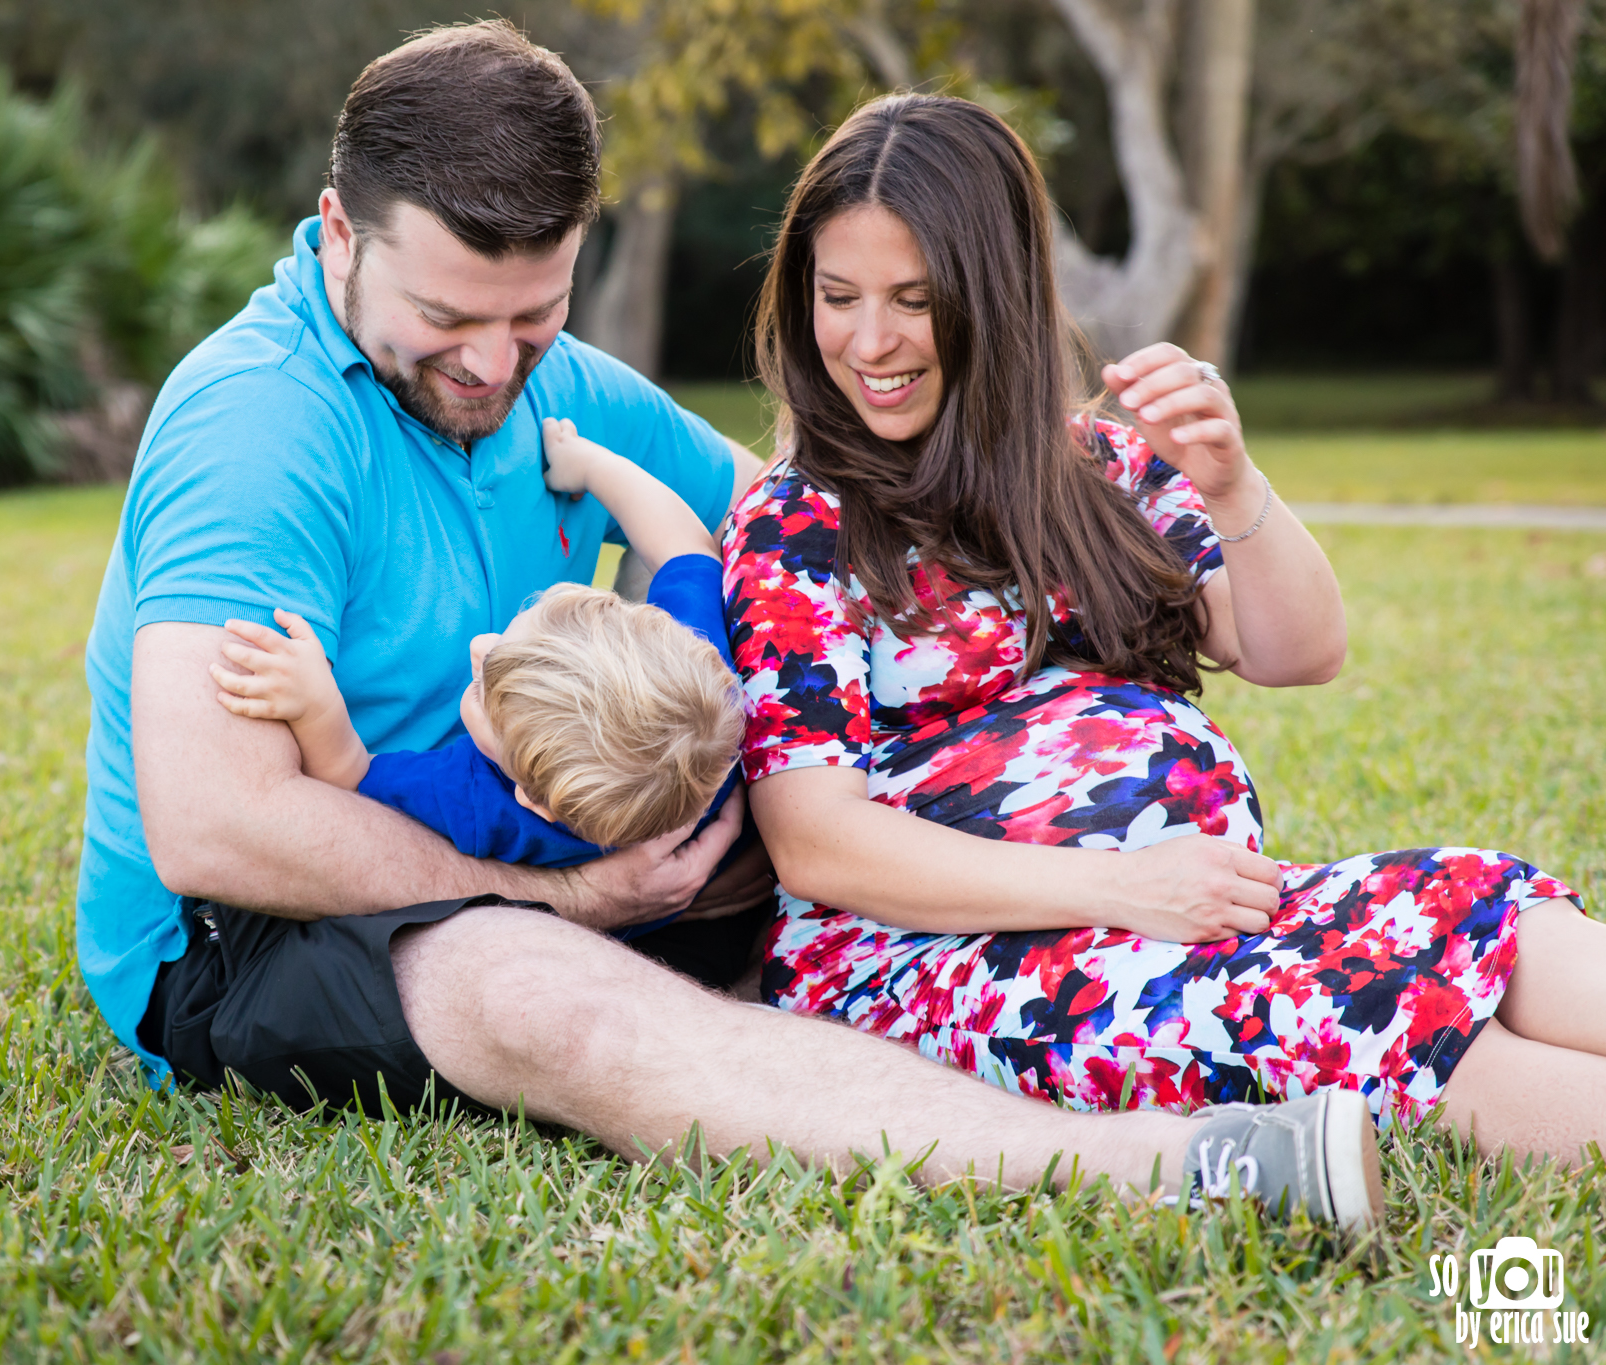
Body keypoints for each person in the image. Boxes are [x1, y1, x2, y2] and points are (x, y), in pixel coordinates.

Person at [79, 20, 1383, 1227]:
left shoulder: (569, 390)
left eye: (534, 317)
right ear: (339, 234)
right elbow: (219, 823)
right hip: (256, 935)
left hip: (569, 840)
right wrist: (565, 894)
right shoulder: (258, 429)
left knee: (835, 848)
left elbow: (796, 532)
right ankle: (1188, 1169)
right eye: (445, 320)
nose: (490, 364)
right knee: (535, 988)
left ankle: (1215, 987)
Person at [725, 92, 1606, 1167]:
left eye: (913, 299)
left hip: (1165, 908)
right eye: (837, 296)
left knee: (1474, 906)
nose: (868, 341)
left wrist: (1231, 487)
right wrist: (1122, 885)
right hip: (925, 955)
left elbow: (1297, 651)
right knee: (1334, 1005)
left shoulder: (1090, 468)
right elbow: (817, 844)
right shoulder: (796, 522)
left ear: (993, 296)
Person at [204, 416, 744, 869]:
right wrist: (590, 464)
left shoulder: (477, 802)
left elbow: (352, 777)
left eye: (487, 691)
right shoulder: (697, 690)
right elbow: (686, 545)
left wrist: (315, 702)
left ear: (534, 800)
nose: (479, 646)